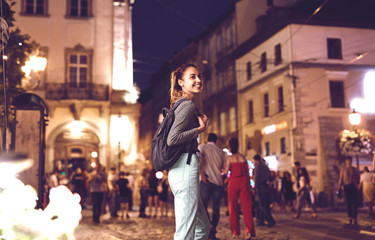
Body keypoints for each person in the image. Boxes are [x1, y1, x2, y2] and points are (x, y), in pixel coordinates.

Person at [166, 63, 210, 240]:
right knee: (185, 230)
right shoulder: (187, 106)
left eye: (199, 76)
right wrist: (200, 129)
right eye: (192, 77)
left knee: (202, 227)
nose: (198, 80)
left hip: (180, 169)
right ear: (181, 82)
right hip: (185, 167)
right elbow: (172, 139)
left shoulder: (181, 104)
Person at [224, 138, 256, 240]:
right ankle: (249, 232)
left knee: (232, 206)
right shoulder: (243, 157)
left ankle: (235, 232)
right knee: (247, 207)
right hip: (244, 181)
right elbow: (247, 171)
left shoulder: (230, 158)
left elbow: (225, 171)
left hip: (233, 181)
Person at [198, 133, 226, 240]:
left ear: (207, 139)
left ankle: (207, 227)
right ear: (216, 140)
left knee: (203, 206)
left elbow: (198, 158)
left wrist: (201, 173)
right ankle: (213, 229)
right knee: (216, 207)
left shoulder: (202, 147)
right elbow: (223, 168)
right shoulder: (221, 151)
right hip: (218, 182)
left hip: (206, 180)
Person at [253, 154, 276, 228]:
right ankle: (261, 220)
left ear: (255, 160)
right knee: (263, 204)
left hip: (260, 187)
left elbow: (256, 178)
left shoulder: (257, 167)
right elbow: (269, 176)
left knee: (262, 205)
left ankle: (270, 220)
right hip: (266, 186)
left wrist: (255, 188)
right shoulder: (265, 166)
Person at [338, 156, 359, 225]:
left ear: (351, 161)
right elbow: (341, 178)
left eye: (350, 160)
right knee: (348, 203)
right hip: (346, 187)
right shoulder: (343, 169)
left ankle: (355, 218)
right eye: (347, 160)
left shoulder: (355, 169)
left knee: (354, 203)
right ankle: (349, 217)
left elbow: (358, 177)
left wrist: (357, 185)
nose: (349, 161)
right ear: (346, 161)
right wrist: (339, 187)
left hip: (353, 186)